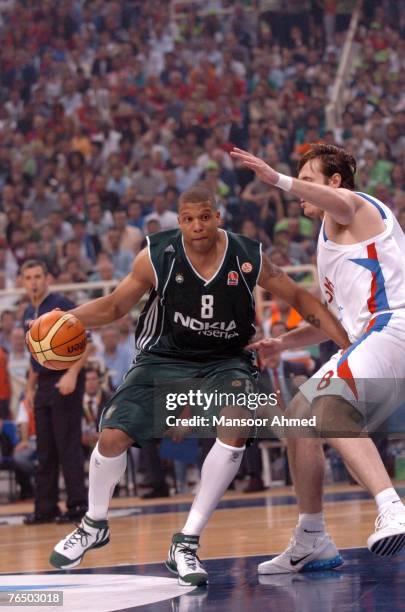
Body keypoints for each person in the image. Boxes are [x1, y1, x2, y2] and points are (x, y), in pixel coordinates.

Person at [48, 183, 349, 584]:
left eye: (204, 217)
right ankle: (93, 524)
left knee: (237, 419)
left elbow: (301, 299)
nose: (197, 226)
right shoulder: (157, 255)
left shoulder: (246, 255)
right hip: (164, 358)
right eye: (188, 219)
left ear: (217, 217)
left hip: (226, 361)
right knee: (112, 437)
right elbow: (114, 306)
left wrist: (347, 343)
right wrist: (67, 318)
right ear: (180, 221)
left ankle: (186, 541)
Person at [230, 144, 405, 572]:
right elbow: (333, 322)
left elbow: (343, 201)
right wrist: (283, 344)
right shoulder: (329, 243)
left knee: (328, 407)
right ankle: (312, 537)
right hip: (368, 336)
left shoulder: (358, 209)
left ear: (334, 182)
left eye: (308, 180)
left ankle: (392, 507)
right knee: (300, 418)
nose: (301, 190)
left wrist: (278, 180)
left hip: (395, 325)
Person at [21, 259, 89, 524]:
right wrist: (29, 387)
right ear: (23, 282)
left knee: (67, 445)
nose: (34, 282)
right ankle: (46, 507)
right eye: (28, 278)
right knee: (45, 449)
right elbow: (34, 358)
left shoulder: (61, 305)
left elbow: (85, 343)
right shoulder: (28, 310)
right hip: (43, 385)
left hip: (66, 380)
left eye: (38, 276)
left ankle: (78, 505)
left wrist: (72, 374)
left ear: (47, 278)